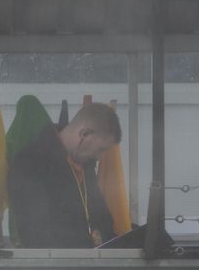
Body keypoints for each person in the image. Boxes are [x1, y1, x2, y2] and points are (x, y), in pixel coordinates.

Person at [7, 101, 122, 248]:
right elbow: (35, 234)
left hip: (90, 266)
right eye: (101, 149)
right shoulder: (29, 163)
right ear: (84, 134)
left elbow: (104, 221)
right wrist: (86, 243)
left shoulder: (86, 166)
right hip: (53, 268)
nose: (100, 158)